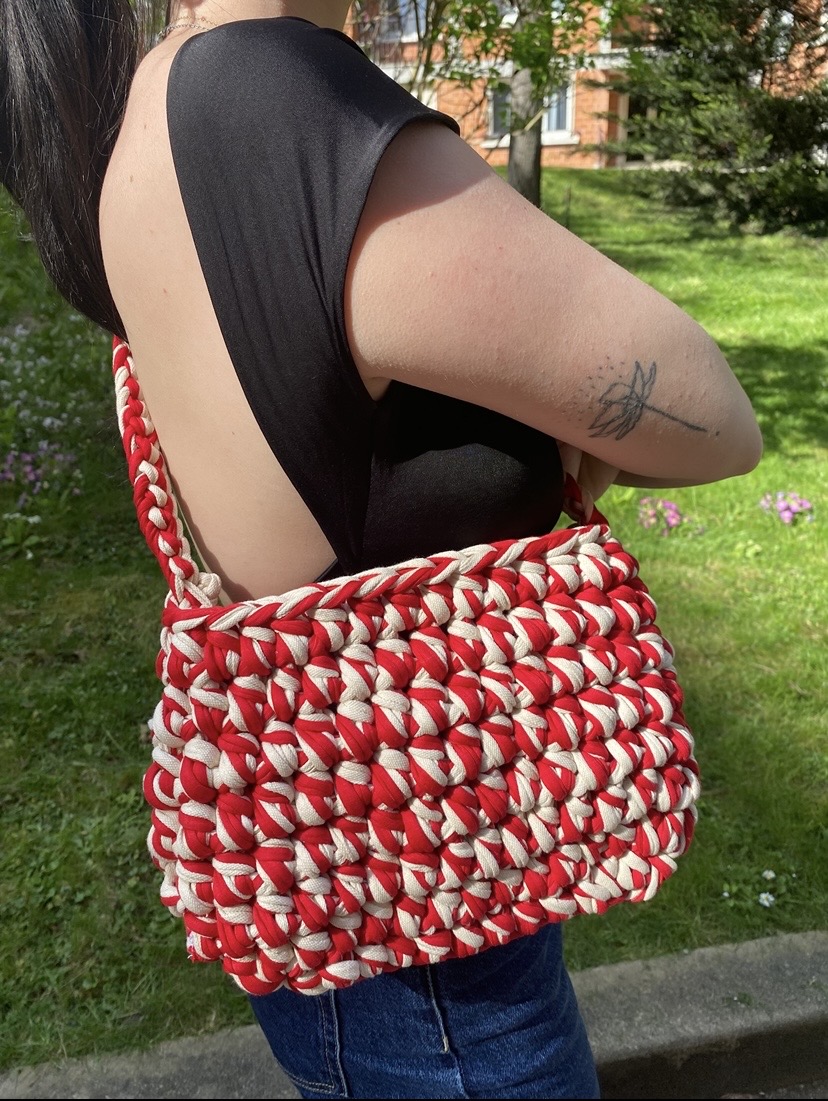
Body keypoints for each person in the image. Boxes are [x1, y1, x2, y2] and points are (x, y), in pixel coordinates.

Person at [0, 2, 762, 1098]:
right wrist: (553, 437)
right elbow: (716, 417)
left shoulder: (159, 93)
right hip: (432, 950)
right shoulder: (280, 95)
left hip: (349, 897)